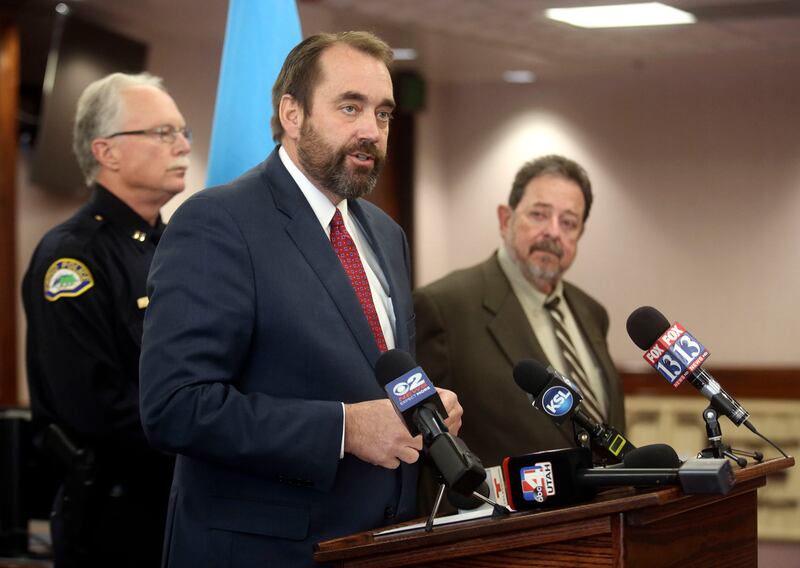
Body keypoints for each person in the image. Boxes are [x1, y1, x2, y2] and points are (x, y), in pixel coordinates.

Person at [138, 31, 462, 567]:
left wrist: (422, 411)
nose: (370, 131)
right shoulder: (218, 223)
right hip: (264, 551)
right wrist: (344, 429)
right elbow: (175, 406)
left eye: (382, 114)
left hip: (381, 543)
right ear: (292, 113)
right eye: (349, 107)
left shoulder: (385, 234)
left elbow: (377, 369)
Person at [22, 72, 190, 567]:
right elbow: (92, 406)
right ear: (107, 152)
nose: (181, 144)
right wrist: (212, 435)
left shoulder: (178, 247)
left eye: (183, 132)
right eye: (162, 133)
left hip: (184, 502)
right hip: (115, 516)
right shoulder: (73, 258)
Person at [414, 155, 625, 473]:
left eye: (568, 223)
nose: (553, 232)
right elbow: (426, 446)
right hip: (505, 517)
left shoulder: (592, 312)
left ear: (579, 235)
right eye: (539, 215)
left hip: (605, 512)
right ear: (505, 219)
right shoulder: (444, 306)